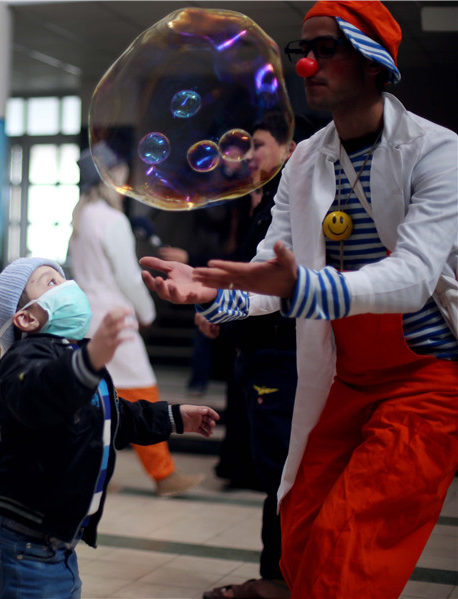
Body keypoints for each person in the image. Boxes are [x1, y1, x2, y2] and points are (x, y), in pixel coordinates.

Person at [141, 3, 458, 597]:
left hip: (426, 380)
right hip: (348, 376)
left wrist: (300, 286)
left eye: (328, 48)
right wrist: (211, 293)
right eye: (302, 49)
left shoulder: (437, 152)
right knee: (302, 526)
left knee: (350, 547)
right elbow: (270, 272)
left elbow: (414, 277)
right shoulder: (307, 160)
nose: (308, 62)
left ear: (372, 61)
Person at [0, 257, 220, 599]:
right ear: (27, 318)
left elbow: (113, 417)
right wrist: (86, 365)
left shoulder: (75, 355)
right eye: (50, 283)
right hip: (25, 542)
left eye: (63, 278)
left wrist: (175, 417)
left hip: (56, 541)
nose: (68, 286)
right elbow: (44, 392)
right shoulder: (22, 363)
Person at [68, 143, 204, 497]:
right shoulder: (111, 220)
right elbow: (128, 276)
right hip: (115, 320)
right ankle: (164, 476)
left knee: (93, 397)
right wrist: (147, 311)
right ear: (110, 177)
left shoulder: (80, 217)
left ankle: (92, 471)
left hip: (86, 319)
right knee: (142, 390)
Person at [203, 112, 299, 599]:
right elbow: (250, 281)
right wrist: (221, 308)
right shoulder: (261, 203)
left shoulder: (293, 202)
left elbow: (278, 285)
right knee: (272, 470)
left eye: (259, 145)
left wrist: (227, 304)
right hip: (258, 351)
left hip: (280, 353)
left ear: (291, 149)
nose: (249, 155)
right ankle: (279, 576)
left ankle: (280, 579)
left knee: (283, 472)